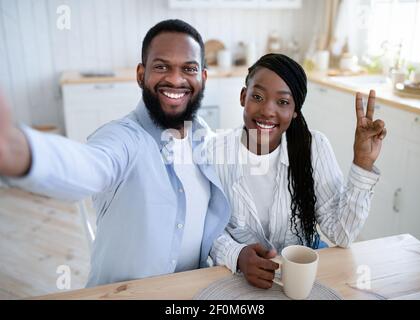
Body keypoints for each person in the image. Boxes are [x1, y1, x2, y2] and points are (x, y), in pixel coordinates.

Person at [0, 19, 230, 287]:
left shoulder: (206, 140)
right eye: (161, 66)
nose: (175, 79)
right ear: (140, 75)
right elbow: (90, 166)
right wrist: (13, 150)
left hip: (193, 293)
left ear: (202, 77)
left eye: (188, 68)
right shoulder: (124, 138)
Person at [208, 53, 387, 289]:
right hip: (238, 278)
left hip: (301, 279)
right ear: (243, 97)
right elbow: (205, 229)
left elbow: (342, 234)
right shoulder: (213, 153)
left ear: (295, 110)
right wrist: (237, 255)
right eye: (258, 96)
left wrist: (362, 162)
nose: (267, 111)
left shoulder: (315, 148)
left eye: (282, 102)